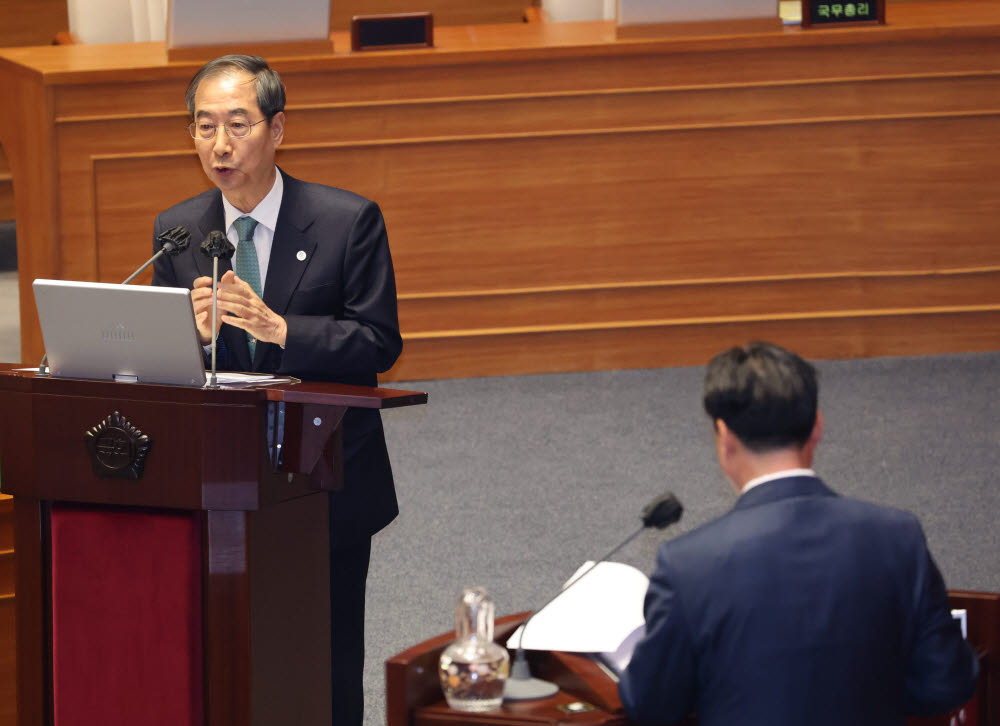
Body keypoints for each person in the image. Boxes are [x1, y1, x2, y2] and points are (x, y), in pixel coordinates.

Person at [151, 55, 403, 725]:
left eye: (238, 124)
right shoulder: (177, 233)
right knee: (229, 652)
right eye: (203, 127)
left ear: (278, 127)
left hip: (324, 477)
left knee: (326, 656)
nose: (220, 145)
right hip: (219, 479)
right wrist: (194, 335)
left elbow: (379, 342)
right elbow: (163, 370)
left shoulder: (348, 222)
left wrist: (284, 328)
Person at [619, 341, 978, 726]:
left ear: (725, 438)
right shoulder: (898, 537)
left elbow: (651, 705)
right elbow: (946, 683)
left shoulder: (687, 564)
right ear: (817, 426)